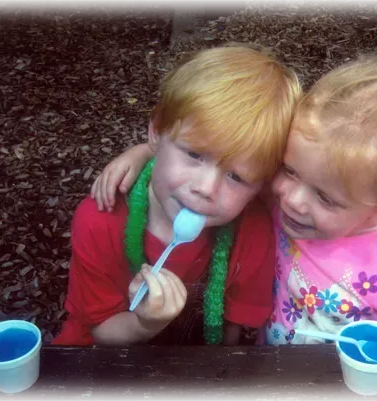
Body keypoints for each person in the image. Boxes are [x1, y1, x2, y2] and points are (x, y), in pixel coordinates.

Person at [92, 33, 377, 343]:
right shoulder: (272, 198)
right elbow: (231, 160)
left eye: (325, 197)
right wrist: (145, 153)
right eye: (289, 170)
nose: (291, 199)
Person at [53, 43, 302, 346]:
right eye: (195, 155)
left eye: (236, 177)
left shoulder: (252, 231)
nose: (206, 188)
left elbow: (230, 336)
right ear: (156, 131)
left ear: (259, 187)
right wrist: (145, 324)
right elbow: (100, 332)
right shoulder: (99, 220)